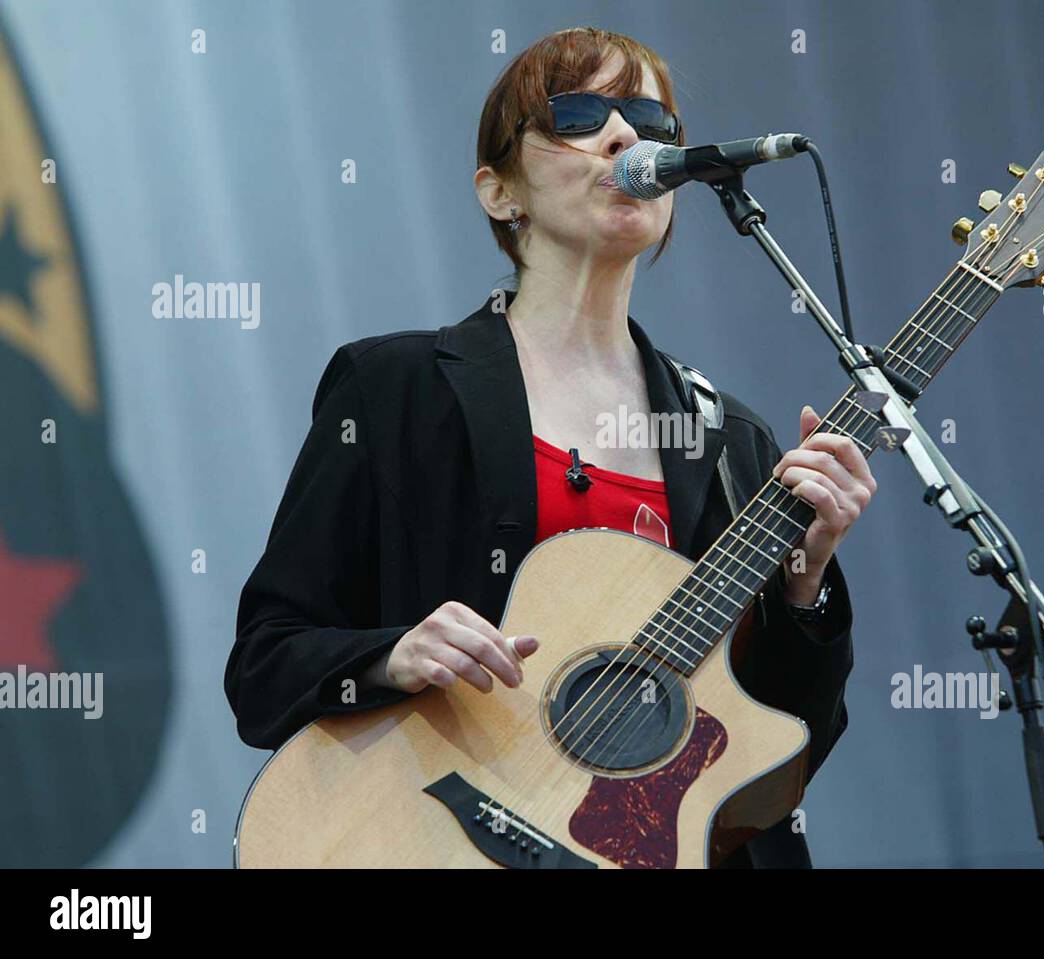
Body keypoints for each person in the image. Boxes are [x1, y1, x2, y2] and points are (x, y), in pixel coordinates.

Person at [225, 26, 877, 869]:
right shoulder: (395, 391)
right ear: (500, 193)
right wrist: (391, 654)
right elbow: (264, 668)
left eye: (650, 118)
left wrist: (805, 583)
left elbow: (780, 757)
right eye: (578, 115)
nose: (625, 137)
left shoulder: (730, 440)